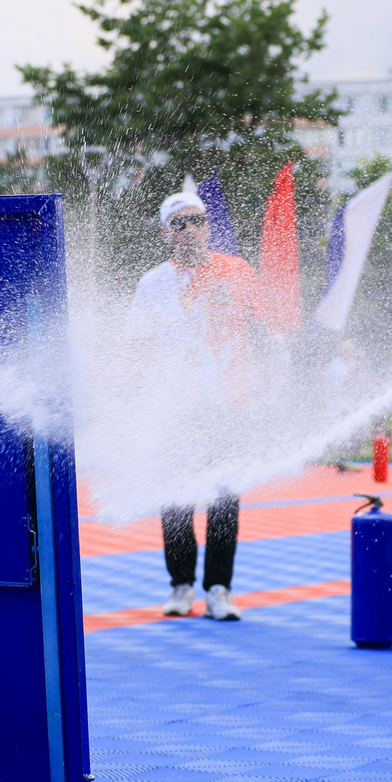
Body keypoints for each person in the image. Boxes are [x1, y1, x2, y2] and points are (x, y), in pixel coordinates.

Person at [126, 189, 261, 621]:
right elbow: (138, 349)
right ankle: (181, 586)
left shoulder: (237, 271)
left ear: (208, 224)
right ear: (166, 233)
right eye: (179, 223)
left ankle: (218, 589)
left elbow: (261, 332)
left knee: (223, 501)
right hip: (175, 409)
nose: (190, 230)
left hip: (228, 406)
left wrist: (265, 382)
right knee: (177, 501)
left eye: (197, 220)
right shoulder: (153, 283)